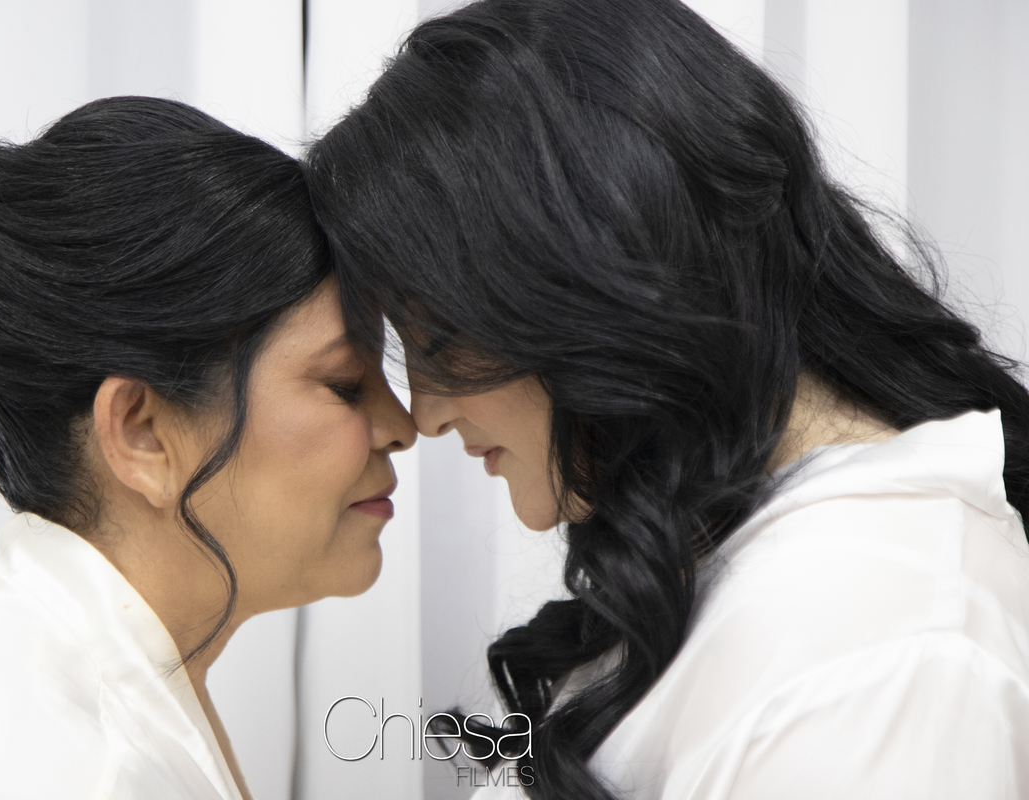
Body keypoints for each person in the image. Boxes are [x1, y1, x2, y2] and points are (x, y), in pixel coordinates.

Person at [304, 0, 1029, 797]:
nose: (425, 415)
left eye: (442, 340)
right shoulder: (753, 567)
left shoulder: (879, 653)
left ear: (589, 270)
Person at [0, 96, 416, 800]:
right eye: (346, 384)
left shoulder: (99, 697)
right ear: (141, 432)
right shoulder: (68, 769)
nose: (404, 426)